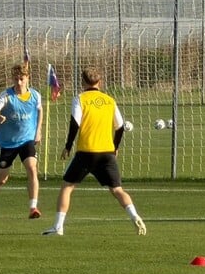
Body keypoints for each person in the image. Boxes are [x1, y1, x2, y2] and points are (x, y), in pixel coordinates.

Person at [43, 66, 146, 236]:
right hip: (107, 153)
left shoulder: (80, 99)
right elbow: (120, 127)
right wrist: (115, 147)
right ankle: (134, 215)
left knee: (67, 187)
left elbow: (75, 123)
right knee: (117, 190)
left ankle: (58, 227)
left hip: (86, 152)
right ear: (100, 82)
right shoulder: (109, 100)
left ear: (83, 82)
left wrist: (68, 146)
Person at [0, 62, 44, 219]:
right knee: (2, 179)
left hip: (27, 140)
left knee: (32, 168)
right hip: (8, 143)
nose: (18, 82)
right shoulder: (6, 96)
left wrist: (38, 131)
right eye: (16, 79)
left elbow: (40, 111)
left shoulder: (35, 96)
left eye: (21, 79)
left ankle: (33, 208)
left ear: (27, 78)